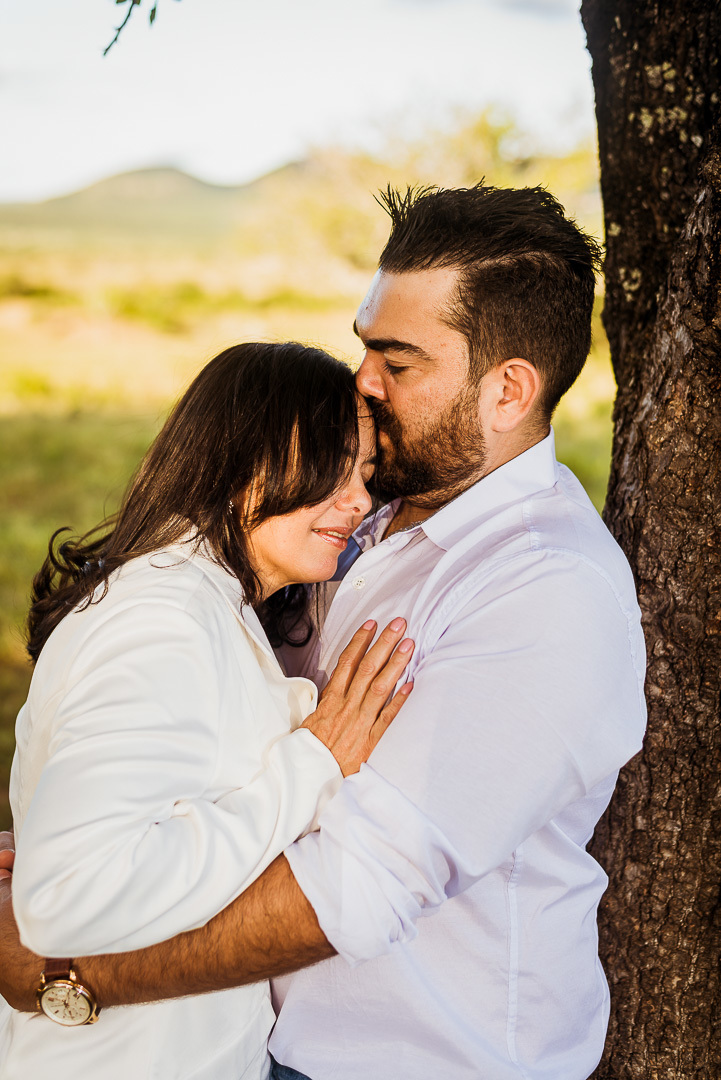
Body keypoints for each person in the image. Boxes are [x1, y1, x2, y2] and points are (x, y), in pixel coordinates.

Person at [0, 183, 647, 1080]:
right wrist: (87, 824)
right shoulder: (359, 523)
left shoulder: (544, 592)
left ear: (507, 391)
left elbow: (349, 888)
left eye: (398, 360)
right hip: (258, 1052)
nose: (362, 383)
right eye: (363, 348)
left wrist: (67, 975)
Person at [0, 340, 415, 1080]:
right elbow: (69, 900)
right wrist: (311, 764)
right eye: (332, 463)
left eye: (364, 473)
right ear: (242, 458)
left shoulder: (200, 601)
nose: (358, 500)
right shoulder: (164, 619)